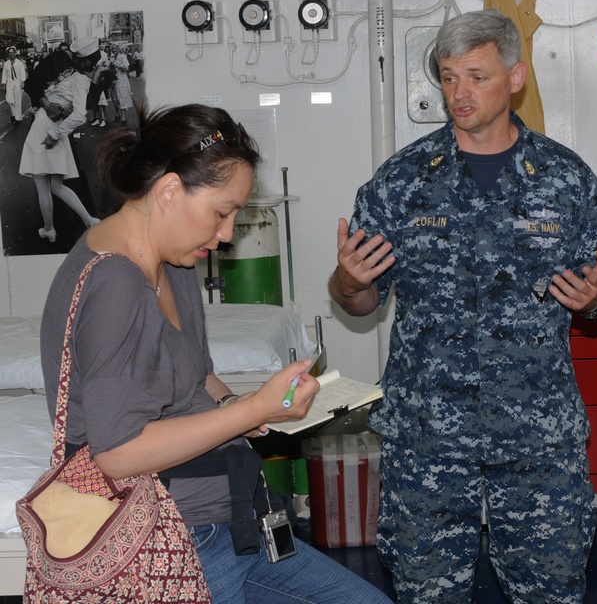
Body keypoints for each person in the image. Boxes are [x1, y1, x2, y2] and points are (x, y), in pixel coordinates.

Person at [329, 8, 597, 603]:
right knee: (427, 593)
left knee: (551, 590)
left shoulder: (564, 179)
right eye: (447, 77)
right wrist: (348, 280)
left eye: (476, 76)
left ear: (516, 77)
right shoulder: (401, 181)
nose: (459, 93)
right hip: (427, 437)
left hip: (538, 435)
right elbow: (359, 301)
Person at [39, 102, 393, 604]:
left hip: (228, 519)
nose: (226, 235)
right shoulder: (115, 286)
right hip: (169, 537)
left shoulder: (175, 264)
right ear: (168, 191)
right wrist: (253, 409)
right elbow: (117, 455)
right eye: (221, 213)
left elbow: (196, 373)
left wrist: (236, 409)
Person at [18, 37, 102, 243]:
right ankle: (85, 220)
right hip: (55, 127)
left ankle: (52, 228)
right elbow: (34, 84)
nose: (87, 66)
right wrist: (48, 103)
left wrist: (55, 131)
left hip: (48, 128)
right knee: (56, 184)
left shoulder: (80, 76)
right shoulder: (70, 69)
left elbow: (83, 110)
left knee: (44, 184)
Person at [2, 46, 27, 124]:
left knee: (18, 100)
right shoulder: (6, 64)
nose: (11, 54)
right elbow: (4, 74)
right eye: (10, 52)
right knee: (9, 100)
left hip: (17, 83)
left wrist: (22, 82)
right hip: (9, 83)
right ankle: (13, 114)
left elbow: (22, 73)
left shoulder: (19, 63)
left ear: (15, 53)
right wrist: (4, 84)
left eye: (13, 52)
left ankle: (18, 118)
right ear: (8, 54)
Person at [111, 45, 133, 124]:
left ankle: (123, 118)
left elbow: (126, 67)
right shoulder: (112, 57)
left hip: (121, 79)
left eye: (115, 49)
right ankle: (117, 115)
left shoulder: (123, 57)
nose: (114, 50)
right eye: (113, 49)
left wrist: (118, 66)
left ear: (119, 49)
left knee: (122, 97)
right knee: (115, 97)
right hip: (114, 79)